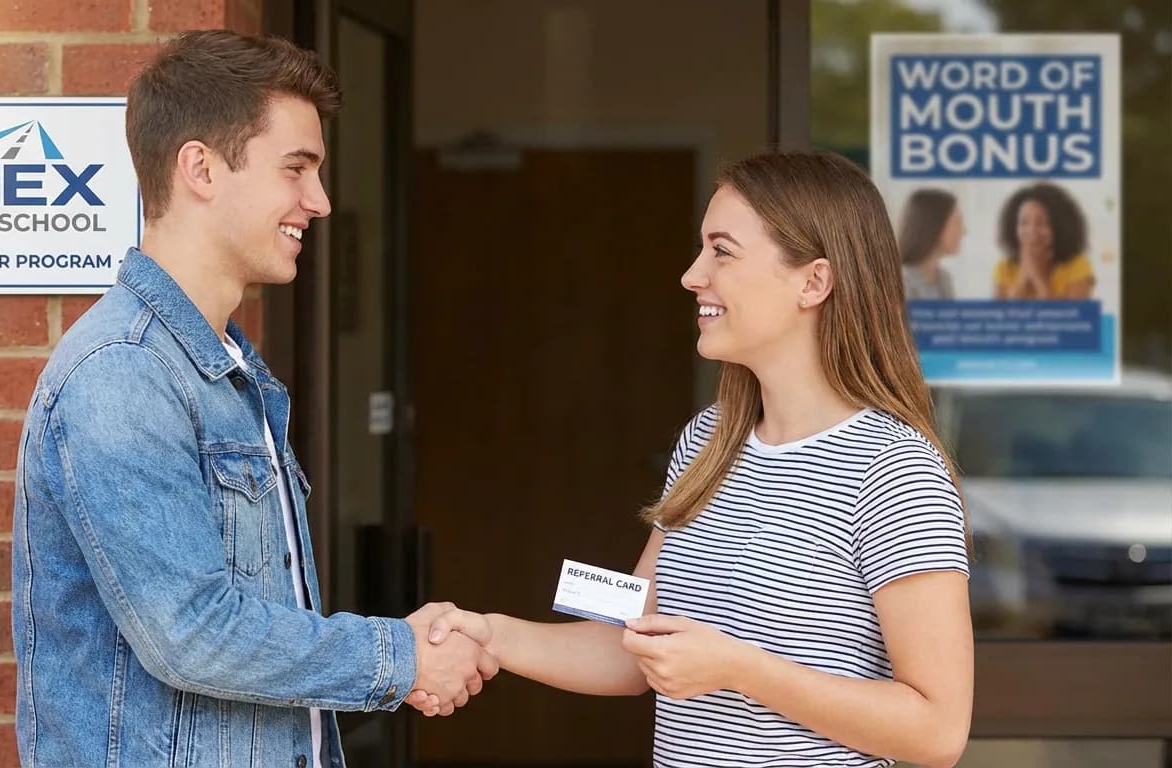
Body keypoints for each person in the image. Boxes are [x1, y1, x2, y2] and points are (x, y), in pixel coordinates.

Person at [11, 31, 494, 768]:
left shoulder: (227, 371)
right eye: (295, 170)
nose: (321, 202)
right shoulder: (124, 372)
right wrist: (402, 658)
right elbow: (191, 633)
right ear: (200, 168)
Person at [414, 151, 974, 768]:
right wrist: (492, 634)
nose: (691, 275)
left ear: (813, 282)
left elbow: (937, 730)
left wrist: (737, 666)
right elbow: (634, 640)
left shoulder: (895, 469)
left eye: (722, 251)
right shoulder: (707, 443)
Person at [992, 182, 1094, 300]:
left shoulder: (1078, 265)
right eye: (1024, 223)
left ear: (1059, 227)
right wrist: (1023, 276)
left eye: (1042, 223)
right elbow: (1003, 316)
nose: (1032, 230)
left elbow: (1070, 317)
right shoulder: (1003, 268)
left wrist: (1037, 276)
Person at [897, 188, 963, 300]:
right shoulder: (901, 281)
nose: (963, 231)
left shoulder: (944, 278)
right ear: (934, 225)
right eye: (956, 222)